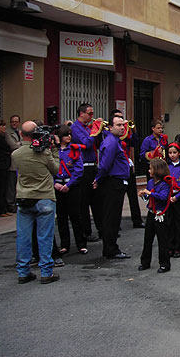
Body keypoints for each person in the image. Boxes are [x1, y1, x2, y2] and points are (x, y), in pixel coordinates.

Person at [12, 121, 61, 284]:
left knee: (23, 237)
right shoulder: (44, 153)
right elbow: (55, 169)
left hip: (24, 197)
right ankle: (46, 272)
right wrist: (54, 150)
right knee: (44, 237)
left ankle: (23, 272)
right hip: (44, 197)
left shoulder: (16, 154)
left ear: (21, 134)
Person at [93, 115, 130, 259]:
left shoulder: (115, 141)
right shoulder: (111, 142)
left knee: (113, 217)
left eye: (122, 125)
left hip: (116, 182)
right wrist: (98, 179)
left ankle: (111, 247)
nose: (122, 128)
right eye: (118, 125)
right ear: (110, 127)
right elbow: (104, 164)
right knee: (111, 218)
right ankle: (111, 249)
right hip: (113, 183)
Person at [53, 126, 87, 254]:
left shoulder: (74, 149)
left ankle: (81, 244)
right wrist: (54, 183)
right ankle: (64, 245)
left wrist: (69, 185)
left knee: (76, 216)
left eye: (70, 135)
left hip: (71, 186)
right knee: (61, 218)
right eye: (66, 135)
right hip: (58, 185)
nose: (69, 137)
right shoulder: (53, 151)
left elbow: (79, 170)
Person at [71, 103, 102, 242]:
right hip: (83, 167)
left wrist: (99, 132)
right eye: (89, 114)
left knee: (96, 200)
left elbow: (98, 145)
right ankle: (86, 231)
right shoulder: (75, 128)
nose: (92, 116)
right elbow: (87, 143)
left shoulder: (87, 127)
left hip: (93, 166)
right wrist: (94, 132)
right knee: (84, 201)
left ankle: (102, 229)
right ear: (81, 113)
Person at [110, 109, 144, 229]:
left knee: (133, 195)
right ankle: (115, 223)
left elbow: (134, 143)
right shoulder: (112, 134)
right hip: (118, 167)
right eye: (118, 119)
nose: (122, 123)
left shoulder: (126, 130)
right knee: (117, 199)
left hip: (127, 165)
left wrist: (133, 131)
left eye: (122, 118)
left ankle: (137, 220)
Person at [138, 158, 172, 273]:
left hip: (161, 214)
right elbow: (148, 197)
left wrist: (150, 193)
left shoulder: (165, 183)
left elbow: (163, 197)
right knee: (147, 239)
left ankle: (164, 264)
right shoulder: (151, 182)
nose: (149, 171)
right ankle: (145, 262)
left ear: (157, 170)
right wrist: (143, 195)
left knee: (162, 240)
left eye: (151, 169)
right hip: (151, 213)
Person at [0, 119, 18, 216]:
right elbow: (8, 147)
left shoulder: (2, 137)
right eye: (2, 126)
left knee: (4, 188)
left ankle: (3, 209)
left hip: (5, 164)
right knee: (0, 188)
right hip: (0, 165)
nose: (4, 128)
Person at [7, 114, 21, 211]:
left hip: (20, 162)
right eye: (12, 122)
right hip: (12, 162)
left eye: (16, 122)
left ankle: (17, 202)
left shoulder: (20, 133)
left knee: (18, 184)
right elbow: (13, 146)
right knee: (11, 185)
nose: (14, 123)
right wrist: (22, 143)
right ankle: (10, 204)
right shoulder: (7, 133)